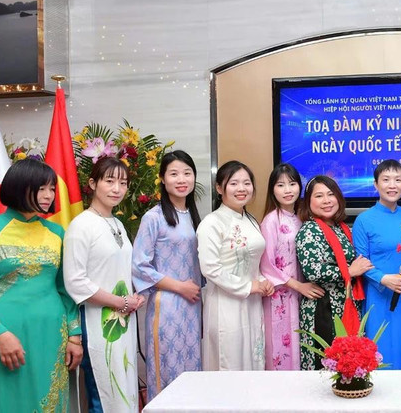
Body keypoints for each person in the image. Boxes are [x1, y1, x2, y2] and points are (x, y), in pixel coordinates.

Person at [0, 159, 82, 412]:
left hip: (52, 335)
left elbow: (64, 288)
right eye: (41, 189)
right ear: (18, 188)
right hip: (5, 337)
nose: (49, 195)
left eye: (51, 188)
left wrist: (75, 336)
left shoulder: (57, 233)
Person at [64, 157, 144, 413]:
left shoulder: (117, 223)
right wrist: (121, 302)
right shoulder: (81, 225)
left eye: (123, 182)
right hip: (97, 321)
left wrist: (134, 296)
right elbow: (75, 281)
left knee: (125, 383)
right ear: (92, 183)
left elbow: (119, 269)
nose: (117, 189)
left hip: (123, 318)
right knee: (104, 388)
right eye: (109, 181)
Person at [132, 150, 202, 400]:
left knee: (191, 368)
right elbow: (140, 265)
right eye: (174, 173)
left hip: (192, 306)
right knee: (168, 368)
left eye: (187, 173)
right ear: (162, 178)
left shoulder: (193, 216)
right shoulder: (153, 217)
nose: (181, 179)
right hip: (168, 305)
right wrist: (179, 287)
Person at [197, 160, 273, 371]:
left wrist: (263, 281)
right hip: (225, 303)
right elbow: (210, 268)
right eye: (234, 183)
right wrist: (249, 286)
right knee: (229, 360)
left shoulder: (251, 220)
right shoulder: (212, 223)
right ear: (219, 188)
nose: (241, 189)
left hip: (252, 302)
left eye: (246, 183)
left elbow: (254, 260)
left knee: (253, 356)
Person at [295, 175, 373, 370]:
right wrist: (350, 270)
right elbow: (312, 270)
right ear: (308, 201)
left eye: (331, 194)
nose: (327, 200)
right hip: (323, 306)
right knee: (325, 365)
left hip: (344, 303)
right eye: (319, 196)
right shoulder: (309, 230)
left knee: (347, 364)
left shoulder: (341, 227)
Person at [352, 160, 401, 369]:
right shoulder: (364, 220)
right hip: (379, 295)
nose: (392, 185)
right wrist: (383, 278)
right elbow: (361, 262)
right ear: (375, 185)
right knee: (383, 347)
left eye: (398, 180)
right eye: (386, 180)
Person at [259, 163, 319, 370]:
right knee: (281, 348)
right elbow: (266, 265)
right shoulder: (270, 221)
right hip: (280, 296)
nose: (287, 190)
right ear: (272, 190)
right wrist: (298, 286)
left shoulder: (301, 219)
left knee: (299, 346)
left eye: (292, 184)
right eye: (280, 185)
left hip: (301, 294)